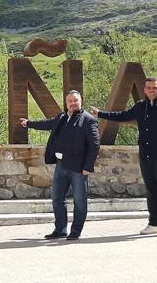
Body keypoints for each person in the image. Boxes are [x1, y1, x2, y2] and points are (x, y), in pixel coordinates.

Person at [90, 77, 157, 237]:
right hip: (145, 156)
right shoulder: (141, 106)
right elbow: (123, 115)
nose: (152, 90)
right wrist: (100, 113)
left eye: (154, 87)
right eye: (149, 88)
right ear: (144, 90)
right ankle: (153, 223)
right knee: (151, 190)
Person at [20, 90, 99, 240]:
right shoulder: (62, 117)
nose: (73, 103)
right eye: (70, 101)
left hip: (78, 168)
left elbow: (95, 146)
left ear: (81, 101)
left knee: (79, 201)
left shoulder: (88, 120)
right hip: (61, 166)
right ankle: (60, 229)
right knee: (57, 198)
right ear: (66, 102)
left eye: (75, 100)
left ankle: (76, 231)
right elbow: (47, 123)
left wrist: (88, 167)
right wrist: (29, 123)